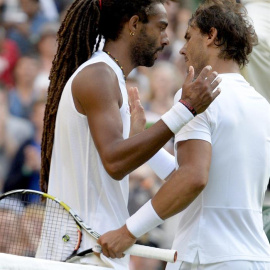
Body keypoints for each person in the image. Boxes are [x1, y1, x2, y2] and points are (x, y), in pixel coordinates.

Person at [39, 0, 221, 268]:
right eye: (160, 27)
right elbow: (115, 162)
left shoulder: (108, 75)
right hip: (81, 254)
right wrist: (185, 109)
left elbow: (114, 162)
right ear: (134, 24)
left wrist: (135, 140)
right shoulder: (98, 75)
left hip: (93, 250)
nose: (167, 39)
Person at [97, 1, 270, 269]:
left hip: (207, 258)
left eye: (189, 37)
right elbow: (196, 179)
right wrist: (143, 136)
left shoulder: (197, 96)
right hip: (257, 257)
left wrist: (127, 231)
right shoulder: (263, 106)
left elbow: (192, 178)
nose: (182, 48)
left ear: (211, 36)